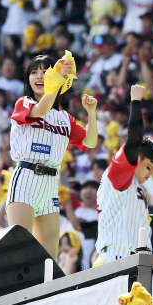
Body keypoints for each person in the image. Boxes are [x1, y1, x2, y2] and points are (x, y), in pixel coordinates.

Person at [7, 54, 98, 258]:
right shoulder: (24, 102)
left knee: (49, 258)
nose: (39, 76)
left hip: (50, 184)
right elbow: (42, 109)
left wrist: (91, 113)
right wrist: (56, 81)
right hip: (25, 178)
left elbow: (90, 142)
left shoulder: (64, 118)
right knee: (20, 249)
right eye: (34, 72)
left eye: (45, 71)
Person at [95, 85, 153, 264]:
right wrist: (136, 101)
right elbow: (134, 139)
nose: (152, 172)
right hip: (115, 257)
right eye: (149, 166)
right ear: (138, 158)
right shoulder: (119, 175)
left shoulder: (134, 185)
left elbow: (140, 221)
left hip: (134, 259)